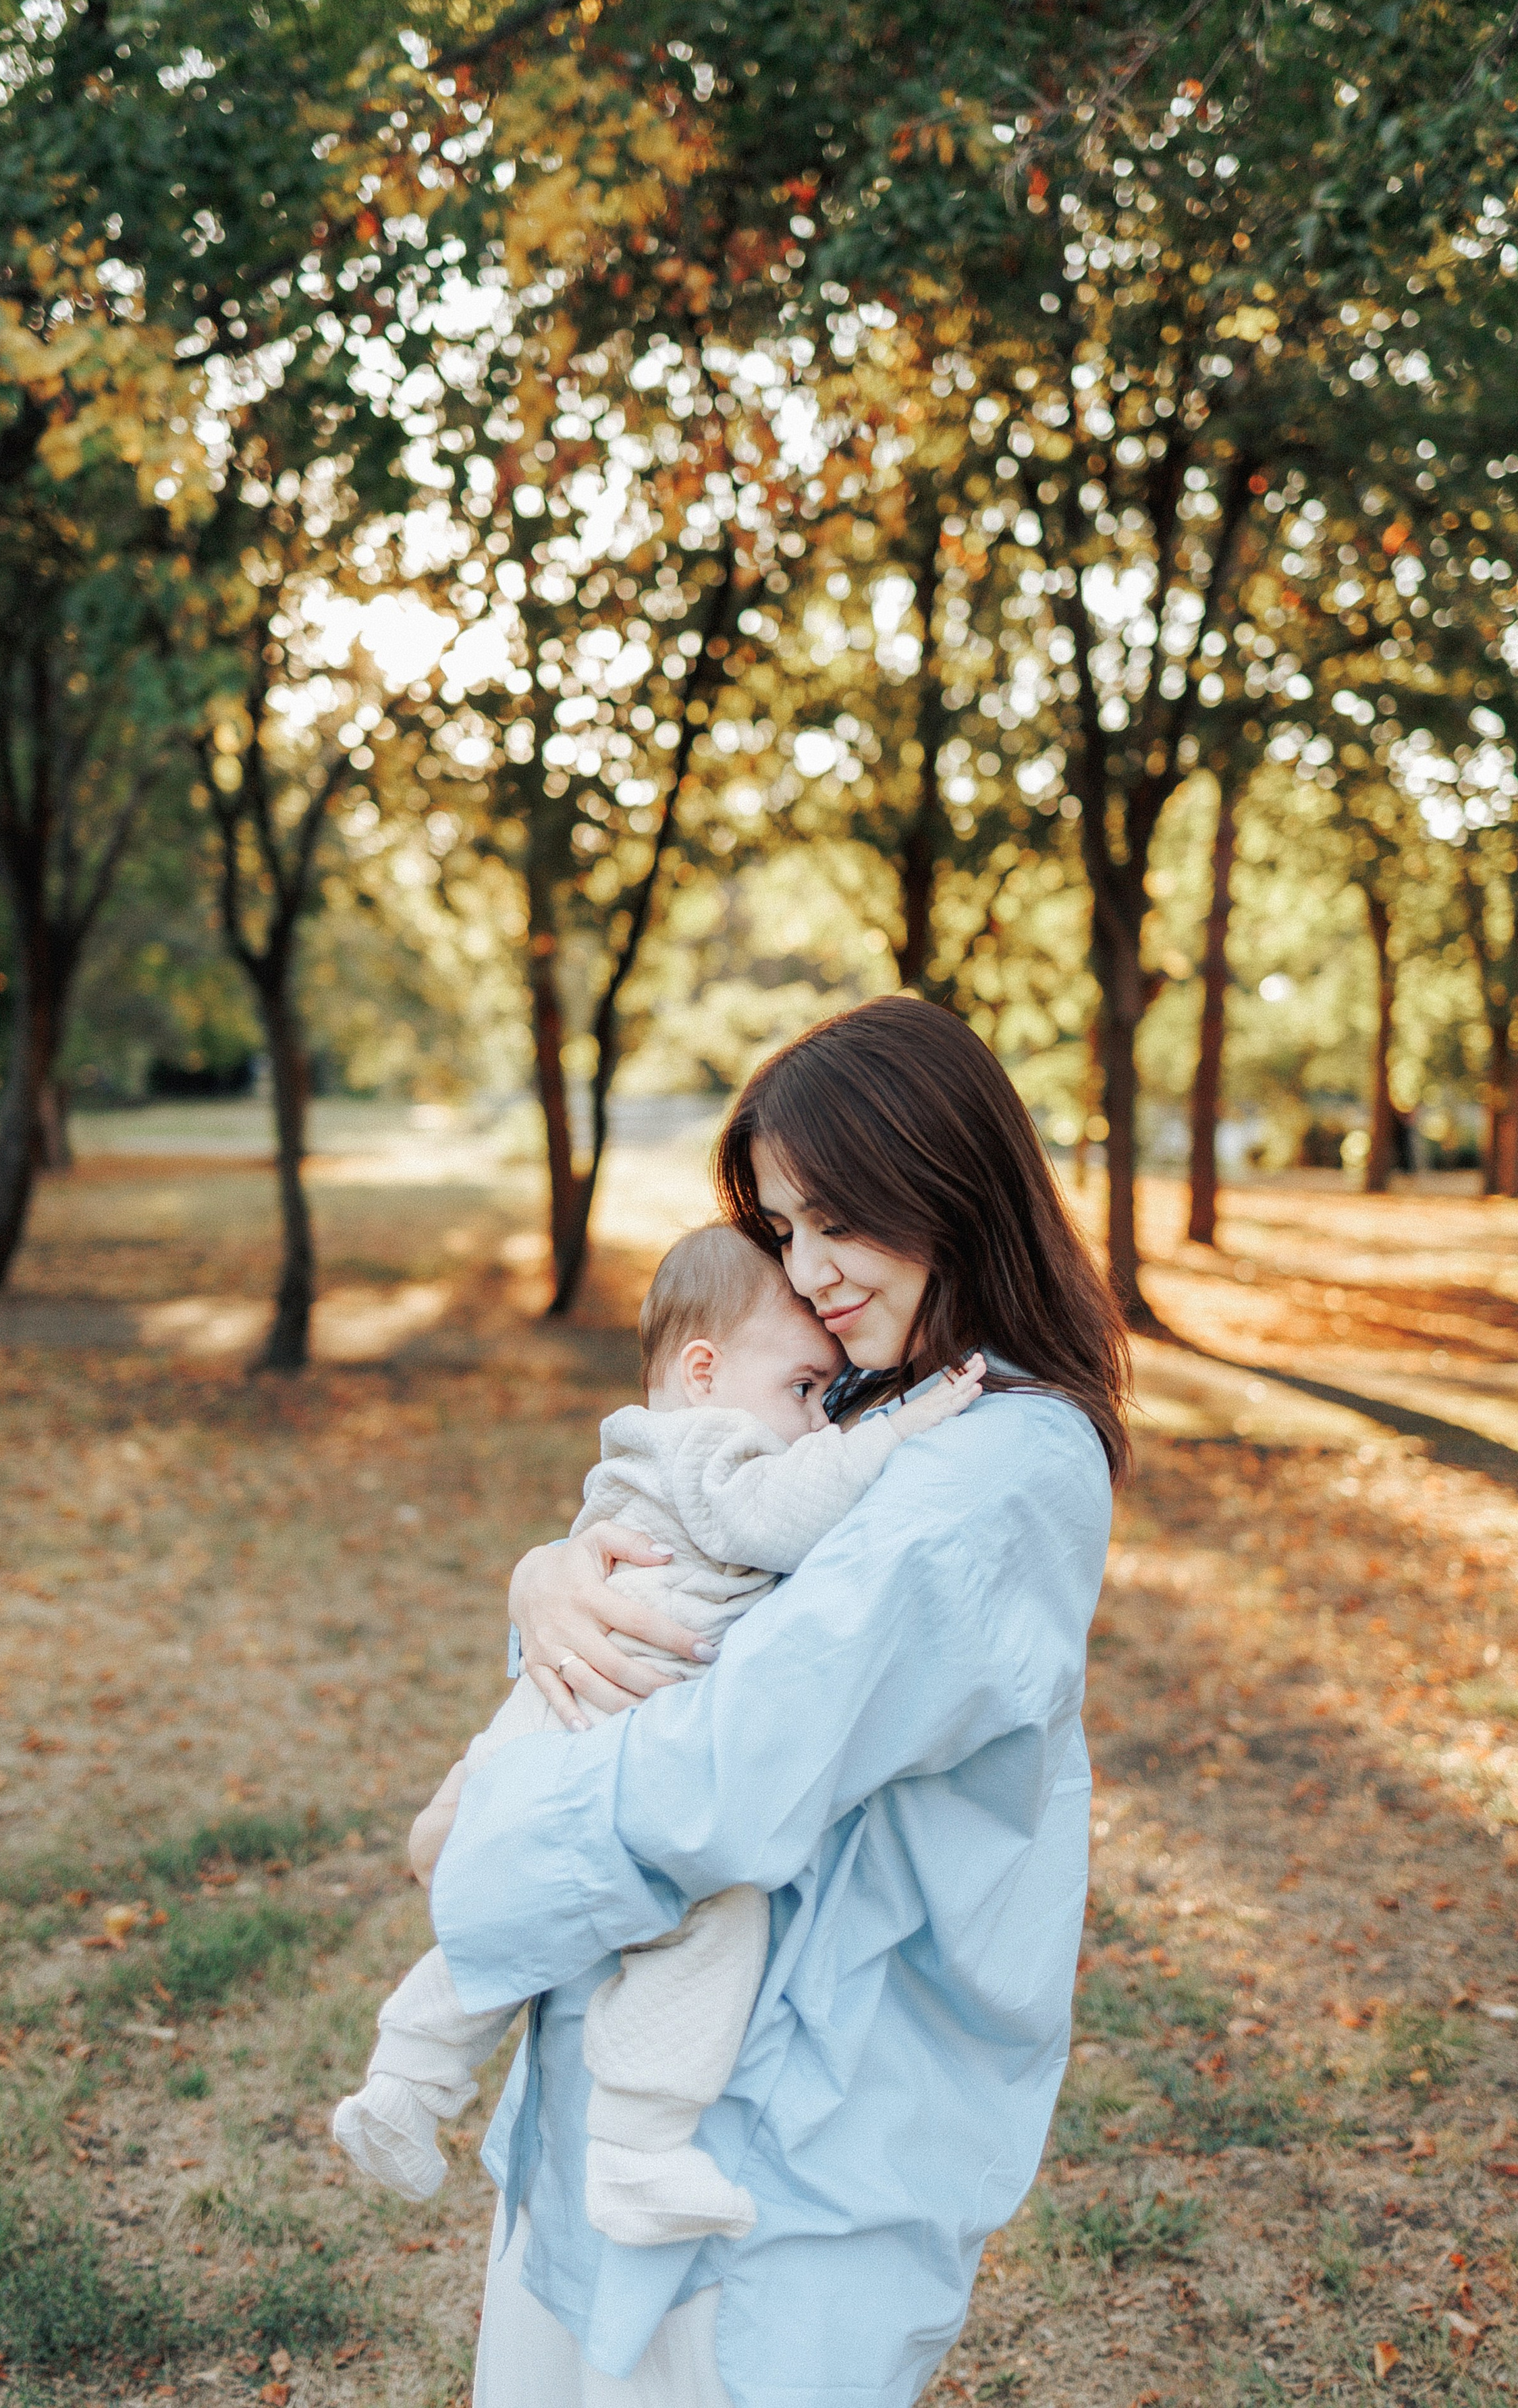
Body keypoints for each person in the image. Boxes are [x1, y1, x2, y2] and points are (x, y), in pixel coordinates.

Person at [422, 996, 1129, 2408]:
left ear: (939, 1181)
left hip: (783, 2167)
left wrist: (477, 1850)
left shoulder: (990, 1473)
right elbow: (659, 1588)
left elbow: (724, 1770)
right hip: (629, 2109)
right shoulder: (865, 1401)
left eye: (833, 1222)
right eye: (783, 1228)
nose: (802, 1274)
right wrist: (545, 1579)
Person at [333, 1224, 986, 2248]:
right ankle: (635, 2145)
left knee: (512, 1914)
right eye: (805, 1389)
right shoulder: (711, 1448)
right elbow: (779, 1518)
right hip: (591, 1720)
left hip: (566, 1718)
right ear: (704, 1370)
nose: (820, 1419)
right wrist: (898, 1429)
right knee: (708, 1918)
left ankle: (408, 2087)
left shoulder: (676, 1439)